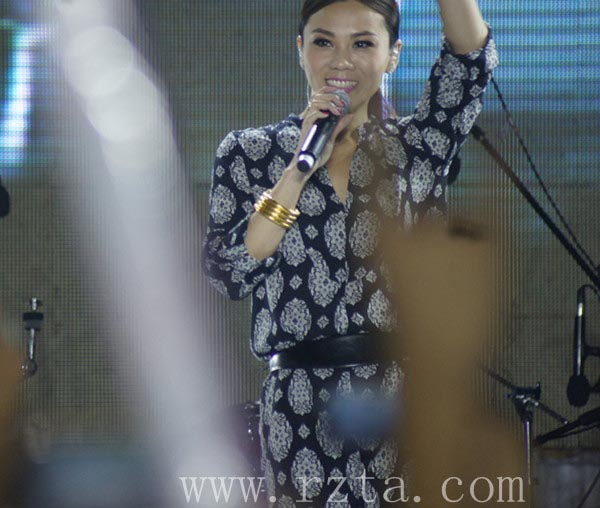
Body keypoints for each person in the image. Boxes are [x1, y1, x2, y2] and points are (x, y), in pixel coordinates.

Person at [202, 0, 498, 505]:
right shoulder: (249, 153)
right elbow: (229, 273)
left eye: (362, 43)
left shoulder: (418, 146)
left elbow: (469, 60)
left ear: (392, 55)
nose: (341, 60)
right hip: (299, 410)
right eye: (323, 42)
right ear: (300, 50)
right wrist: (297, 171)